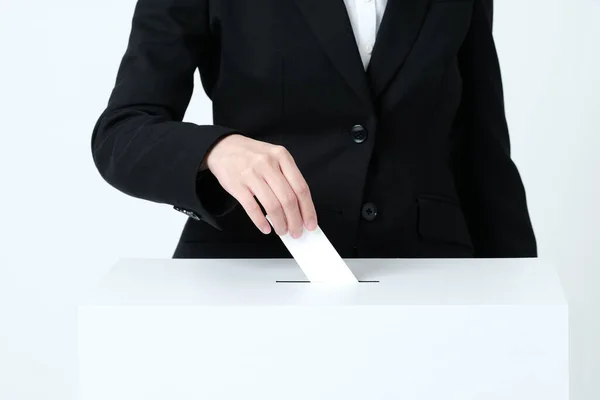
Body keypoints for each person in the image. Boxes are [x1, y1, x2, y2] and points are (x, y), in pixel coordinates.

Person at [91, 0, 536, 259]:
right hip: (250, 274)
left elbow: (482, 150)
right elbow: (122, 131)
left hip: (429, 277)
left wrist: (524, 305)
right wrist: (217, 151)